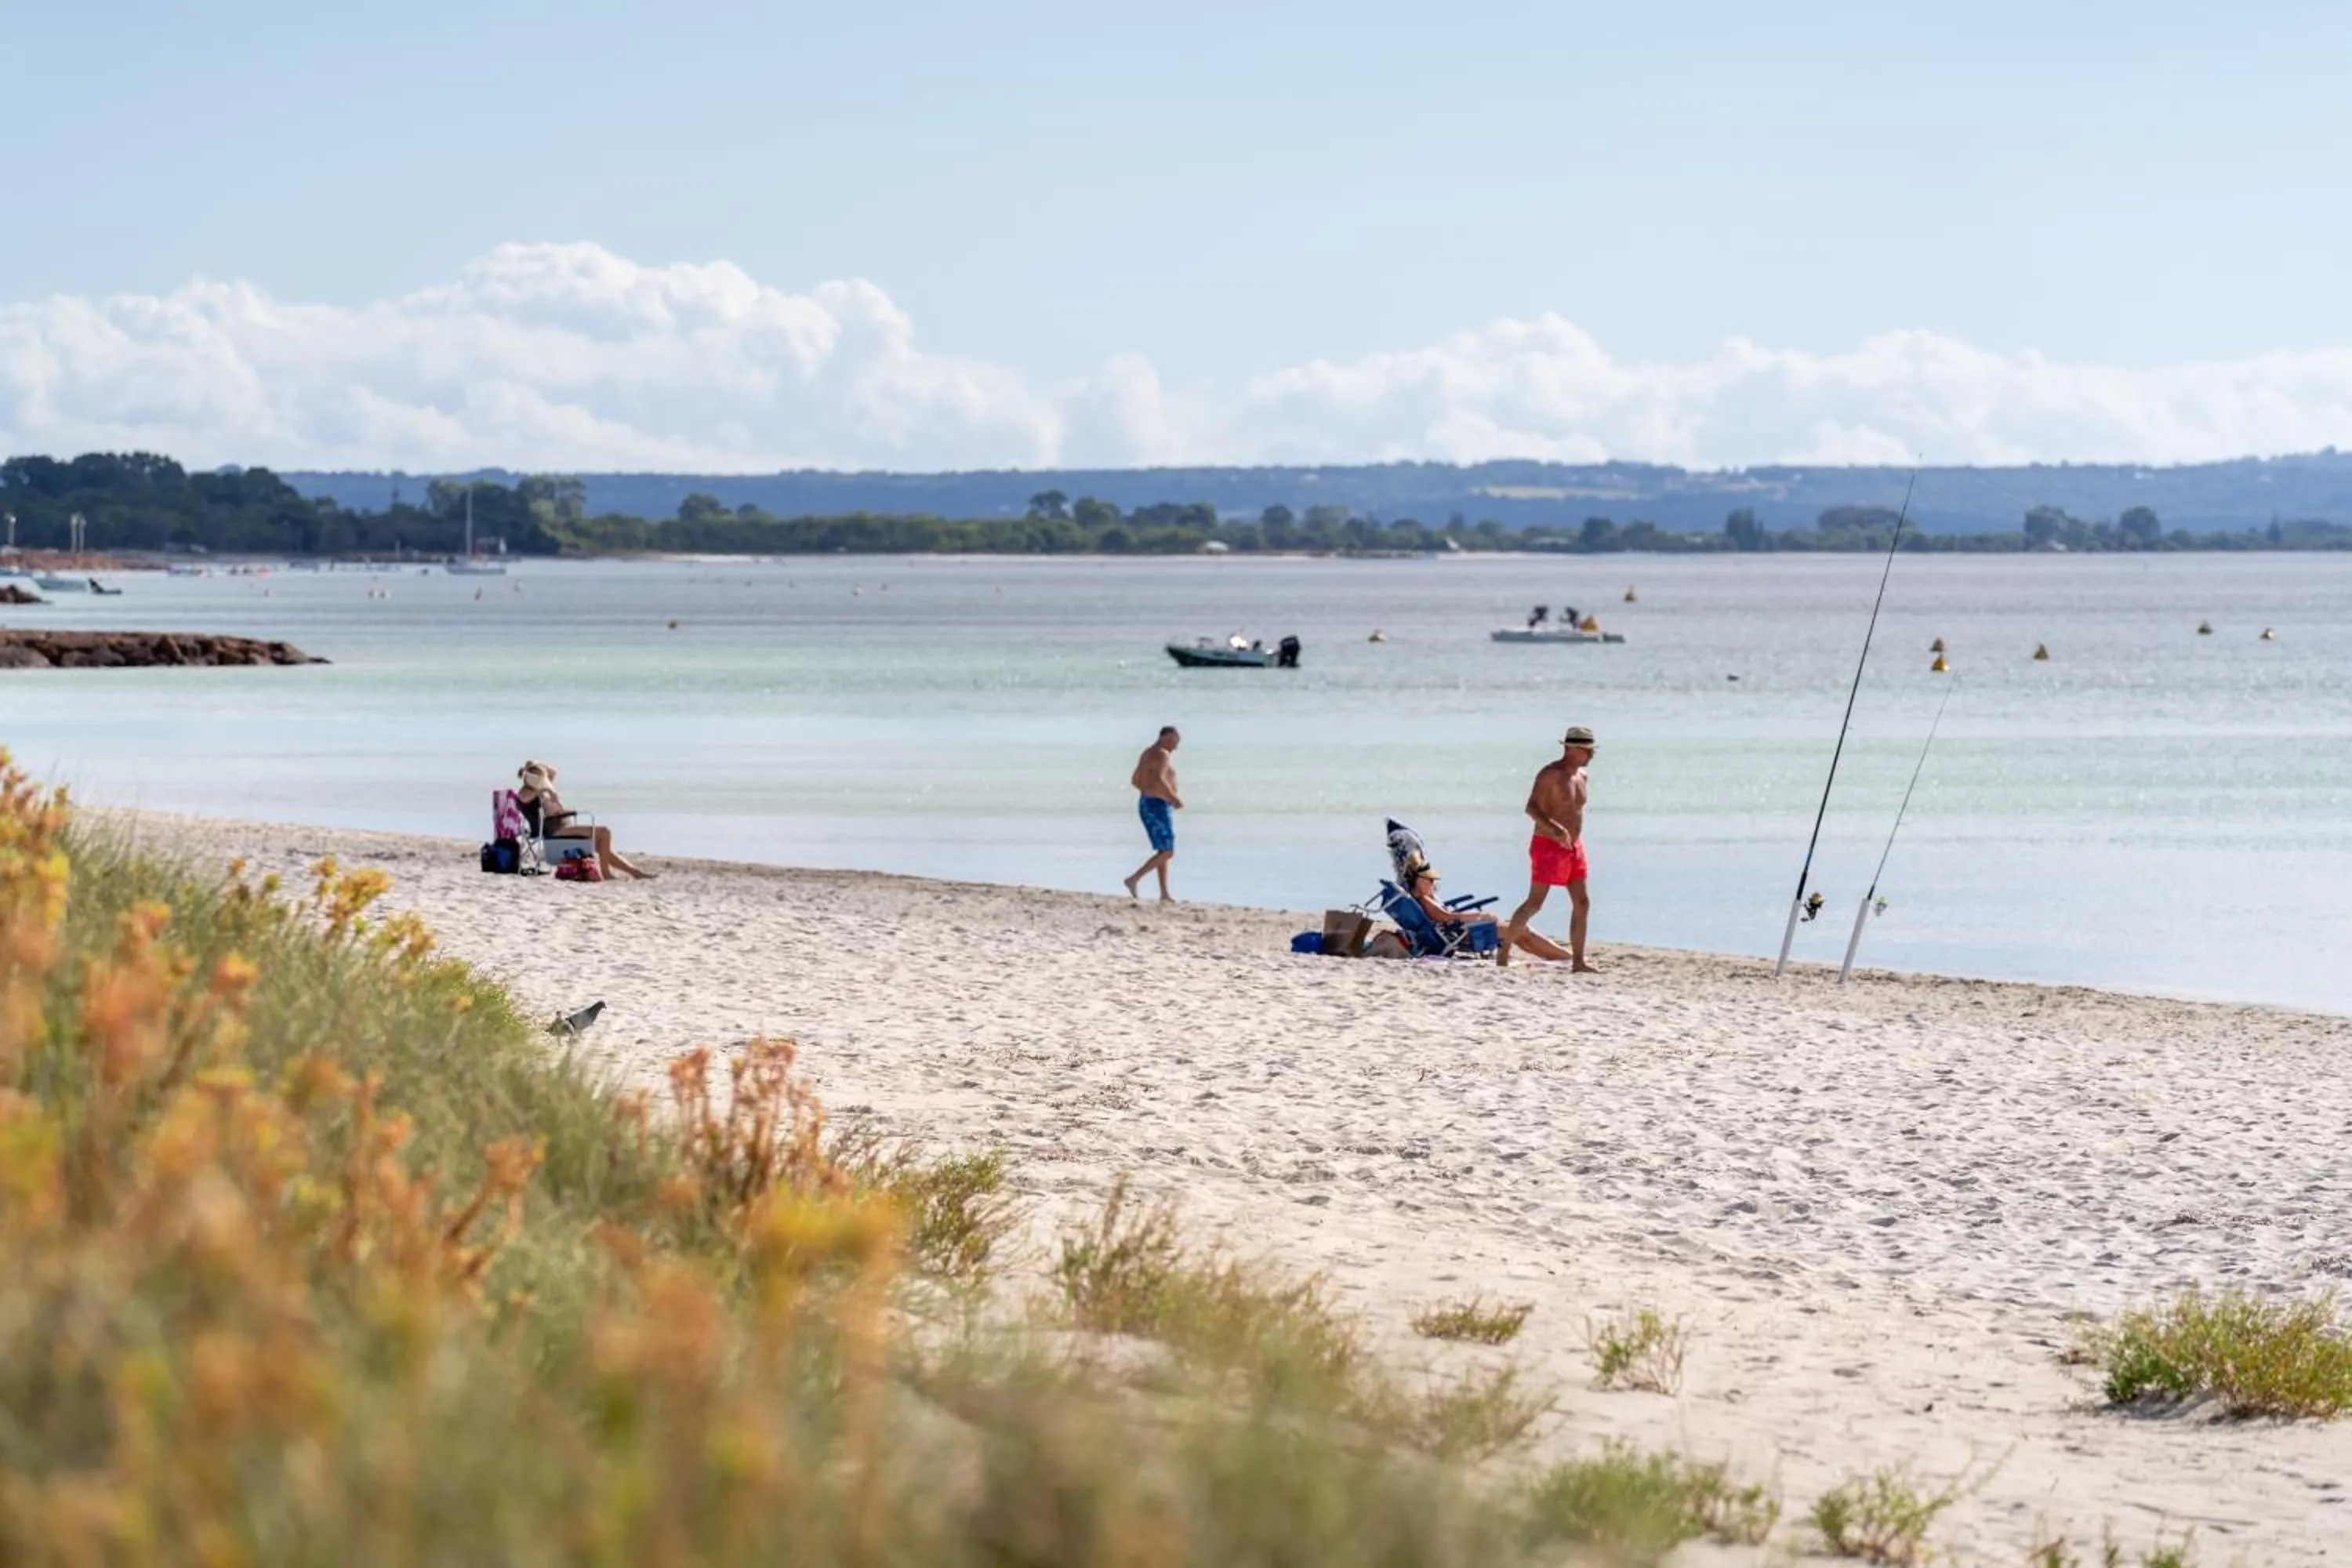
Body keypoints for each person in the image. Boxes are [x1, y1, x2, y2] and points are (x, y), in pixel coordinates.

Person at [1501, 726, 1596, 971]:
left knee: (1582, 902)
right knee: (1535, 903)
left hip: (1574, 847)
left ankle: (1578, 962)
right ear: (1570, 749)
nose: (1591, 754)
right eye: (1586, 749)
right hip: (1548, 845)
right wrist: (1554, 829)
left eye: (1592, 749)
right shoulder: (1550, 774)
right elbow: (1531, 808)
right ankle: (1504, 951)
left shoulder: (1583, 776)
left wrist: (1570, 837)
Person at [516, 760, 659, 881]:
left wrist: (535, 766)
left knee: (602, 846)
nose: (544, 780)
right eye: (541, 777)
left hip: (562, 826)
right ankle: (606, 874)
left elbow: (553, 772)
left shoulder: (541, 787)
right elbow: (526, 799)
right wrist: (542, 788)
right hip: (555, 829)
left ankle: (635, 873)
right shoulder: (527, 792)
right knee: (605, 832)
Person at [1123, 726, 1183, 902]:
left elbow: (1135, 780)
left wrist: (1148, 792)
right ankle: (1133, 879)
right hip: (1157, 805)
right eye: (1173, 741)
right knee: (1168, 851)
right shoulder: (1162, 754)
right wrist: (1173, 798)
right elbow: (1159, 779)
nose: (1176, 746)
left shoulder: (1148, 753)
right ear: (1164, 738)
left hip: (1150, 803)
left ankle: (1164, 893)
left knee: (1163, 850)